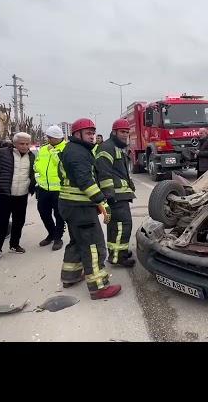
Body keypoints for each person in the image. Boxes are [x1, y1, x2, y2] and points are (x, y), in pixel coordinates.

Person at [58, 117, 121, 299]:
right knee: (93, 246)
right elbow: (85, 181)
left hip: (70, 206)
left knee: (77, 241)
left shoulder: (74, 149)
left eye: (93, 133)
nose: (92, 136)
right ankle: (99, 287)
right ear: (77, 134)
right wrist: (103, 203)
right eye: (88, 133)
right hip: (80, 208)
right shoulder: (78, 153)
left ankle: (70, 276)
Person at [0, 132, 36, 263]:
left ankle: (14, 245)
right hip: (4, 194)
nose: (25, 146)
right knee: (0, 223)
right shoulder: (2, 153)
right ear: (14, 143)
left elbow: (34, 173)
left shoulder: (32, 156)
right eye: (22, 143)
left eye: (27, 144)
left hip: (21, 195)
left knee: (19, 222)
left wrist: (32, 185)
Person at [96, 118, 136, 268]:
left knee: (116, 226)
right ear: (114, 132)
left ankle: (118, 253)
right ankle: (119, 257)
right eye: (122, 132)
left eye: (127, 132)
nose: (125, 135)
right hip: (116, 196)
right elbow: (104, 173)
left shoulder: (116, 147)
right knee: (122, 226)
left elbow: (120, 172)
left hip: (120, 195)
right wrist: (109, 196)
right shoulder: (107, 147)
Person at [34, 125, 67, 251]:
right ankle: (51, 233)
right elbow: (36, 165)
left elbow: (62, 165)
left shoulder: (66, 148)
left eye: (50, 137)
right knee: (43, 212)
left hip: (59, 189)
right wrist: (37, 177)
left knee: (59, 215)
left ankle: (58, 238)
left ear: (57, 138)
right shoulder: (43, 149)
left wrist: (54, 152)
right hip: (43, 188)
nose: (48, 139)